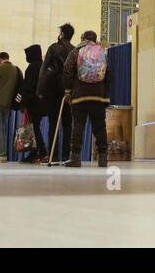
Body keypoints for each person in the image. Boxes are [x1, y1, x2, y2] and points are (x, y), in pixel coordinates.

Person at [62, 31, 110, 167]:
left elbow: (67, 70)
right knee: (100, 127)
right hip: (98, 97)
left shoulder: (75, 52)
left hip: (79, 96)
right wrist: (105, 94)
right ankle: (103, 158)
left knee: (78, 127)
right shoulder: (102, 53)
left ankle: (75, 158)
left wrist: (67, 90)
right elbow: (108, 74)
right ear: (95, 39)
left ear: (82, 39)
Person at [39, 24, 74, 164]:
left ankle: (53, 155)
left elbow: (44, 69)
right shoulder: (74, 50)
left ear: (62, 34)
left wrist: (40, 90)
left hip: (53, 92)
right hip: (69, 92)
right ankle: (66, 156)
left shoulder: (53, 48)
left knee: (54, 124)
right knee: (68, 124)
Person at [0, 51, 21, 163]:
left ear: (0, 59)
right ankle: (4, 153)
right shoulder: (15, 70)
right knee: (3, 128)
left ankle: (1, 154)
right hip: (8, 103)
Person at [21, 43, 49, 162]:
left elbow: (28, 87)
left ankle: (41, 152)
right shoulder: (43, 66)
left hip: (33, 103)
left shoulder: (32, 68)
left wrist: (24, 102)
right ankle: (37, 152)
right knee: (35, 128)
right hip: (43, 102)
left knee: (34, 128)